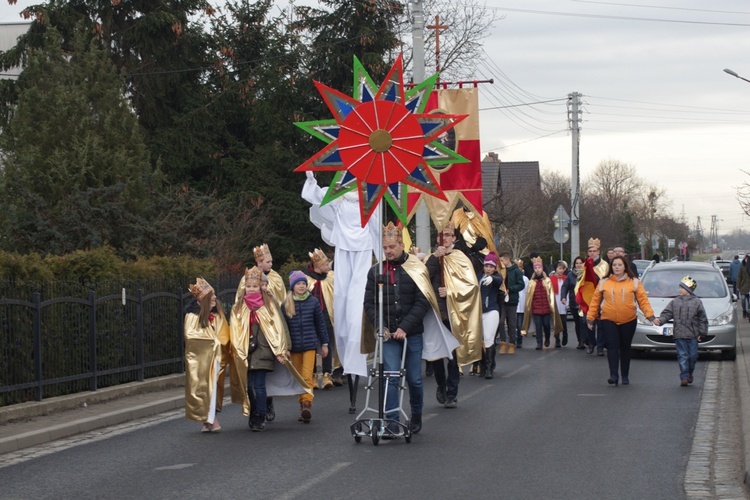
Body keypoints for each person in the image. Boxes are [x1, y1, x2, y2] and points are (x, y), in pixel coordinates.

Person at [362, 222, 432, 437]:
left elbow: (423, 302)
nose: (388, 251)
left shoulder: (416, 269)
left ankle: (416, 413)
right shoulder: (376, 272)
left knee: (414, 378)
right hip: (388, 334)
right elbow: (369, 303)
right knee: (391, 375)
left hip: (411, 333)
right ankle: (392, 421)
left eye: (392, 246)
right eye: (385, 247)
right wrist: (380, 325)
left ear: (401, 244)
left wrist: (405, 327)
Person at [231, 267, 304, 431]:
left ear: (260, 287)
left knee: (259, 385)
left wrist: (284, 348)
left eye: (254, 286)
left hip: (263, 350)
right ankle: (253, 412)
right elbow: (234, 329)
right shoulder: (238, 307)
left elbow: (280, 326)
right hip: (246, 352)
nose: (251, 289)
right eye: (248, 286)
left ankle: (260, 415)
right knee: (249, 386)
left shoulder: (269, 305)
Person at [424, 223, 482, 407]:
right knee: (437, 355)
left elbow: (471, 286)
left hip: (453, 314)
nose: (445, 239)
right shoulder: (430, 258)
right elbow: (423, 277)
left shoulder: (461, 259)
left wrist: (450, 291)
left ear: (454, 238)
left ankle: (452, 393)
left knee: (452, 356)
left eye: (448, 235)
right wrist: (435, 257)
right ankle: (441, 384)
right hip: (435, 314)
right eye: (442, 235)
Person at [586, 256, 655, 386]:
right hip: (608, 319)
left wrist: (650, 316)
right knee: (612, 346)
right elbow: (595, 301)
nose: (617, 267)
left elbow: (643, 301)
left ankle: (625, 375)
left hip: (628, 320)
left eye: (619, 265)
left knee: (625, 347)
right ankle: (613, 375)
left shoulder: (634, 282)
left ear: (625, 267)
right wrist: (590, 318)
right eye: (614, 265)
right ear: (611, 267)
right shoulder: (604, 282)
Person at [282, 270, 330, 423]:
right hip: (294, 346)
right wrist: (286, 347)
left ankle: (307, 403)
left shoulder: (313, 302)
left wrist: (324, 343)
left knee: (307, 375)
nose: (301, 286)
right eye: (298, 284)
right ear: (293, 286)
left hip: (310, 345)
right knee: (298, 378)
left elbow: (320, 324)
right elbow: (284, 328)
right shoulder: (286, 304)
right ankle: (302, 405)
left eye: (303, 283)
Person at [184, 278, 228, 433]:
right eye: (211, 296)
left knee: (212, 389)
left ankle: (211, 420)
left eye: (214, 295)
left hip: (215, 359)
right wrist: (212, 341)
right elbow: (191, 336)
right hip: (200, 360)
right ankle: (210, 421)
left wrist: (218, 345)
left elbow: (224, 336)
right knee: (202, 389)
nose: (215, 298)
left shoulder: (217, 315)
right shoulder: (192, 317)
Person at [653, 276, 708, 387]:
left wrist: (702, 333)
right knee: (682, 356)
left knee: (692, 356)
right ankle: (684, 377)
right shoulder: (675, 302)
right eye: (679, 287)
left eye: (682, 287)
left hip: (693, 335)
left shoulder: (697, 302)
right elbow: (667, 313)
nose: (679, 289)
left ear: (688, 290)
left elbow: (702, 319)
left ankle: (689, 372)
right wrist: (661, 320)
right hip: (679, 334)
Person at [253, 243, 287, 422]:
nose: (270, 264)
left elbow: (279, 300)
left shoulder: (275, 277)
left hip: (271, 330)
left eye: (271, 261)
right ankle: (257, 411)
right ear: (259, 262)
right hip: (253, 335)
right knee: (256, 378)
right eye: (267, 261)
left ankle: (267, 403)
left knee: (268, 373)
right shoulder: (249, 277)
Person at [303, 248, 343, 388]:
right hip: (311, 318)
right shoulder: (306, 279)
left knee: (327, 344)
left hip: (326, 316)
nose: (328, 266)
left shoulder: (331, 277)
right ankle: (313, 376)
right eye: (326, 264)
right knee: (313, 346)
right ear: (318, 266)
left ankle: (327, 374)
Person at [576, 237, 610, 355]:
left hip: (601, 298)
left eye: (594, 251)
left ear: (599, 251)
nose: (592, 253)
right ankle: (591, 343)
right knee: (587, 322)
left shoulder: (605, 265)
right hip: (588, 298)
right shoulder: (584, 264)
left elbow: (604, 279)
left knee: (600, 324)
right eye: (590, 251)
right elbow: (579, 280)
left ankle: (600, 347)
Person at [521, 258, 563, 349]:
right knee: (538, 326)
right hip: (536, 309)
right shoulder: (531, 282)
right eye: (536, 268)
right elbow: (529, 297)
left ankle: (547, 338)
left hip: (546, 308)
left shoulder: (547, 280)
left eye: (539, 268)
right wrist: (529, 308)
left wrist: (551, 306)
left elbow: (551, 295)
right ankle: (539, 343)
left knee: (546, 325)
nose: (537, 270)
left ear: (542, 268)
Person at [479, 252, 503, 378]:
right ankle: (483, 364)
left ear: (494, 268)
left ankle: (489, 368)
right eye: (487, 266)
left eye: (491, 267)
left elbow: (499, 281)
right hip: (478, 312)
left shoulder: (496, 278)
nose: (488, 269)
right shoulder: (479, 277)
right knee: (478, 341)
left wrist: (492, 278)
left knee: (488, 339)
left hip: (491, 311)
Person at [499, 252, 525, 353]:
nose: (501, 263)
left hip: (512, 300)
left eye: (502, 261)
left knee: (512, 323)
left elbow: (521, 285)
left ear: (508, 259)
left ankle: (512, 343)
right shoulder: (500, 270)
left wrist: (511, 289)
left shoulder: (516, 271)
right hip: (502, 300)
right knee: (501, 322)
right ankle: (503, 342)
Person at [561, 256, 585, 349]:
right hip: (574, 302)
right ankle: (580, 341)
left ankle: (585, 339)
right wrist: (563, 297)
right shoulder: (570, 275)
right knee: (578, 323)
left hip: (584, 303)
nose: (578, 265)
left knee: (584, 322)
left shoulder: (587, 274)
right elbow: (565, 287)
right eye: (577, 263)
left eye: (580, 263)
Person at [549, 260, 569, 347]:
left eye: (563, 268)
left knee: (563, 320)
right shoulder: (551, 279)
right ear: (556, 269)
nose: (561, 270)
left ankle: (565, 334)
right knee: (556, 321)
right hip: (555, 300)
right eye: (559, 268)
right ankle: (557, 339)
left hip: (563, 301)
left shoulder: (566, 278)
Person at [515, 261, 531, 345]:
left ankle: (519, 340)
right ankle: (513, 339)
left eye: (520, 267)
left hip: (522, 304)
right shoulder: (512, 277)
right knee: (514, 323)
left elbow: (527, 292)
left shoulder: (525, 279)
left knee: (520, 323)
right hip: (514, 303)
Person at [737, 255, 750, 320]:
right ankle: (744, 311)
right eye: (746, 259)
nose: (747, 260)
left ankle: (748, 313)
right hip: (743, 287)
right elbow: (739, 277)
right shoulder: (742, 267)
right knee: (743, 300)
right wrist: (738, 286)